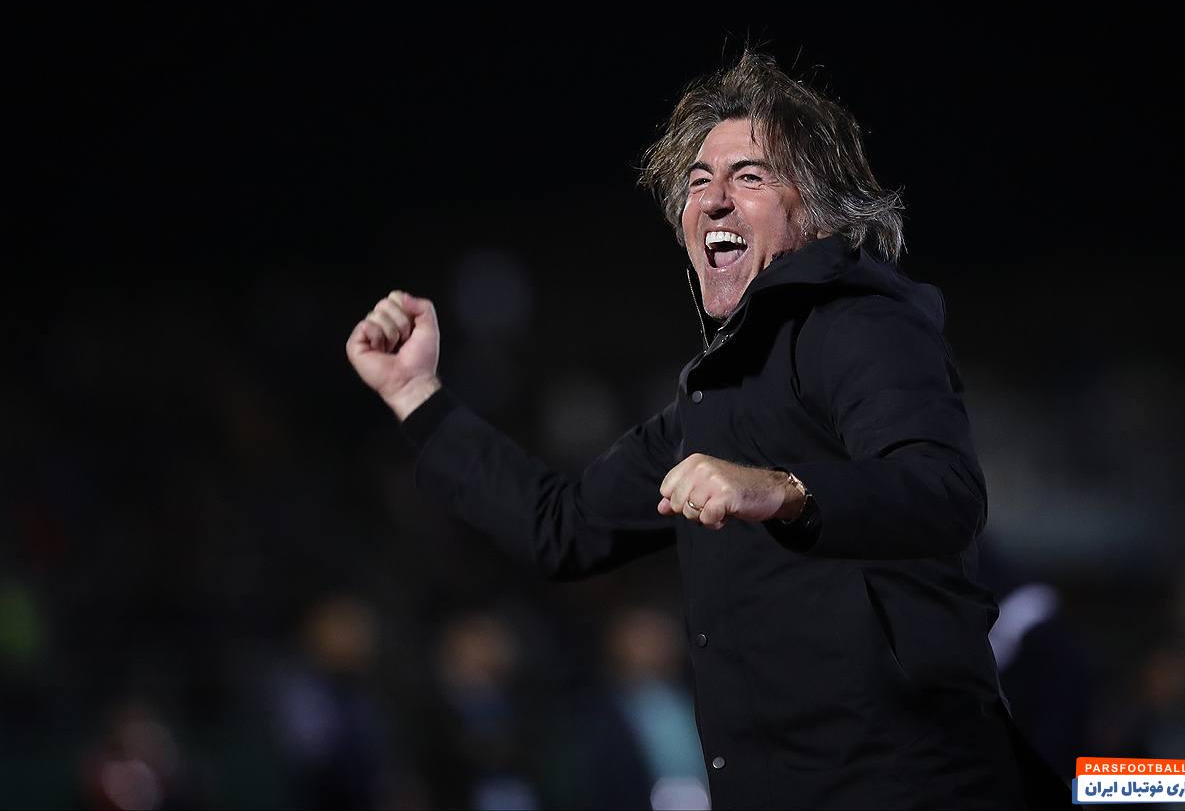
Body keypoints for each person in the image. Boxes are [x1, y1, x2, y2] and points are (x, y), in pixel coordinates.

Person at [346, 51, 1068, 809]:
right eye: (698, 181)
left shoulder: (861, 323)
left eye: (749, 176)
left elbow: (943, 491)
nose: (714, 199)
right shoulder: (716, 395)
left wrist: (783, 490)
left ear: (817, 210)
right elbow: (561, 526)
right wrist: (416, 394)